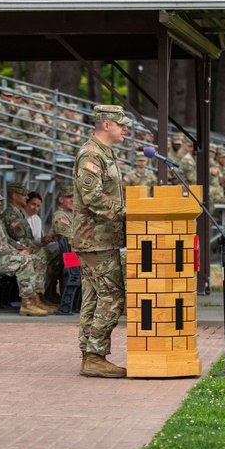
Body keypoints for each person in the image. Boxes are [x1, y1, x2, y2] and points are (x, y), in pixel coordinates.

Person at [71, 105, 131, 379]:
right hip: (94, 239)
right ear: (106, 125)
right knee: (112, 295)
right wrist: (124, 213)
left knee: (95, 296)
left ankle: (89, 355)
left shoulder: (105, 153)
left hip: (101, 238)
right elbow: (92, 197)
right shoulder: (91, 154)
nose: (125, 130)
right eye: (121, 125)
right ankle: (95, 355)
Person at [0, 186, 55, 316]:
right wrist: (17, 253)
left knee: (36, 258)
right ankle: (27, 304)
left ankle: (35, 299)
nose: (0, 202)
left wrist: (21, 249)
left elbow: (7, 240)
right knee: (24, 261)